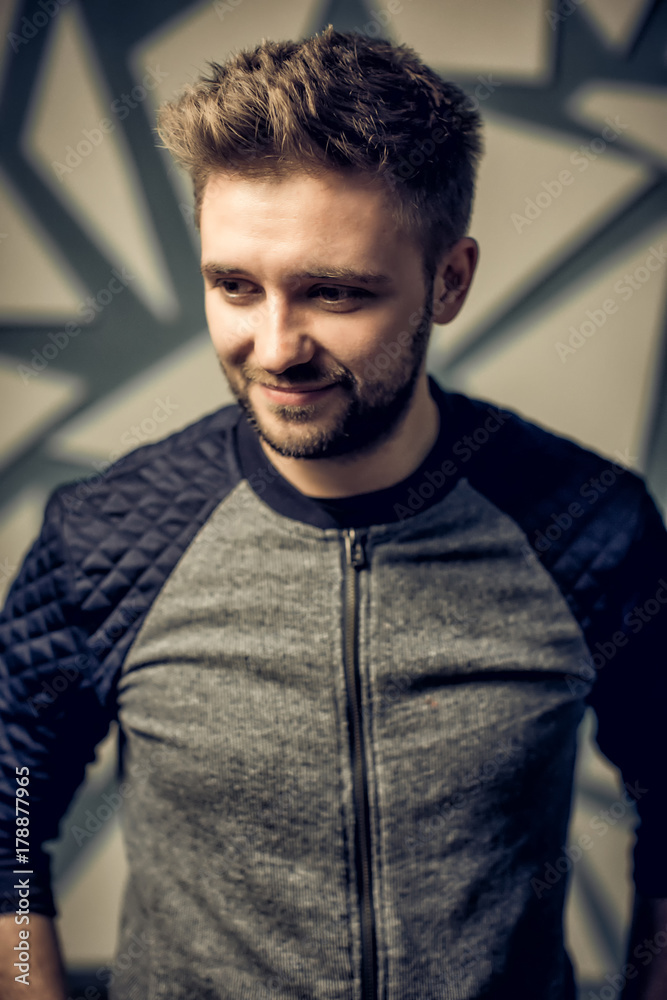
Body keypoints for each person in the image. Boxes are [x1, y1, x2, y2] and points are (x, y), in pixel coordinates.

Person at [0, 27, 666, 1000]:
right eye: (234, 285)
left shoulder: (587, 525)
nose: (274, 347)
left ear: (449, 279)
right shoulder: (108, 536)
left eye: (332, 293)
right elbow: (9, 804)